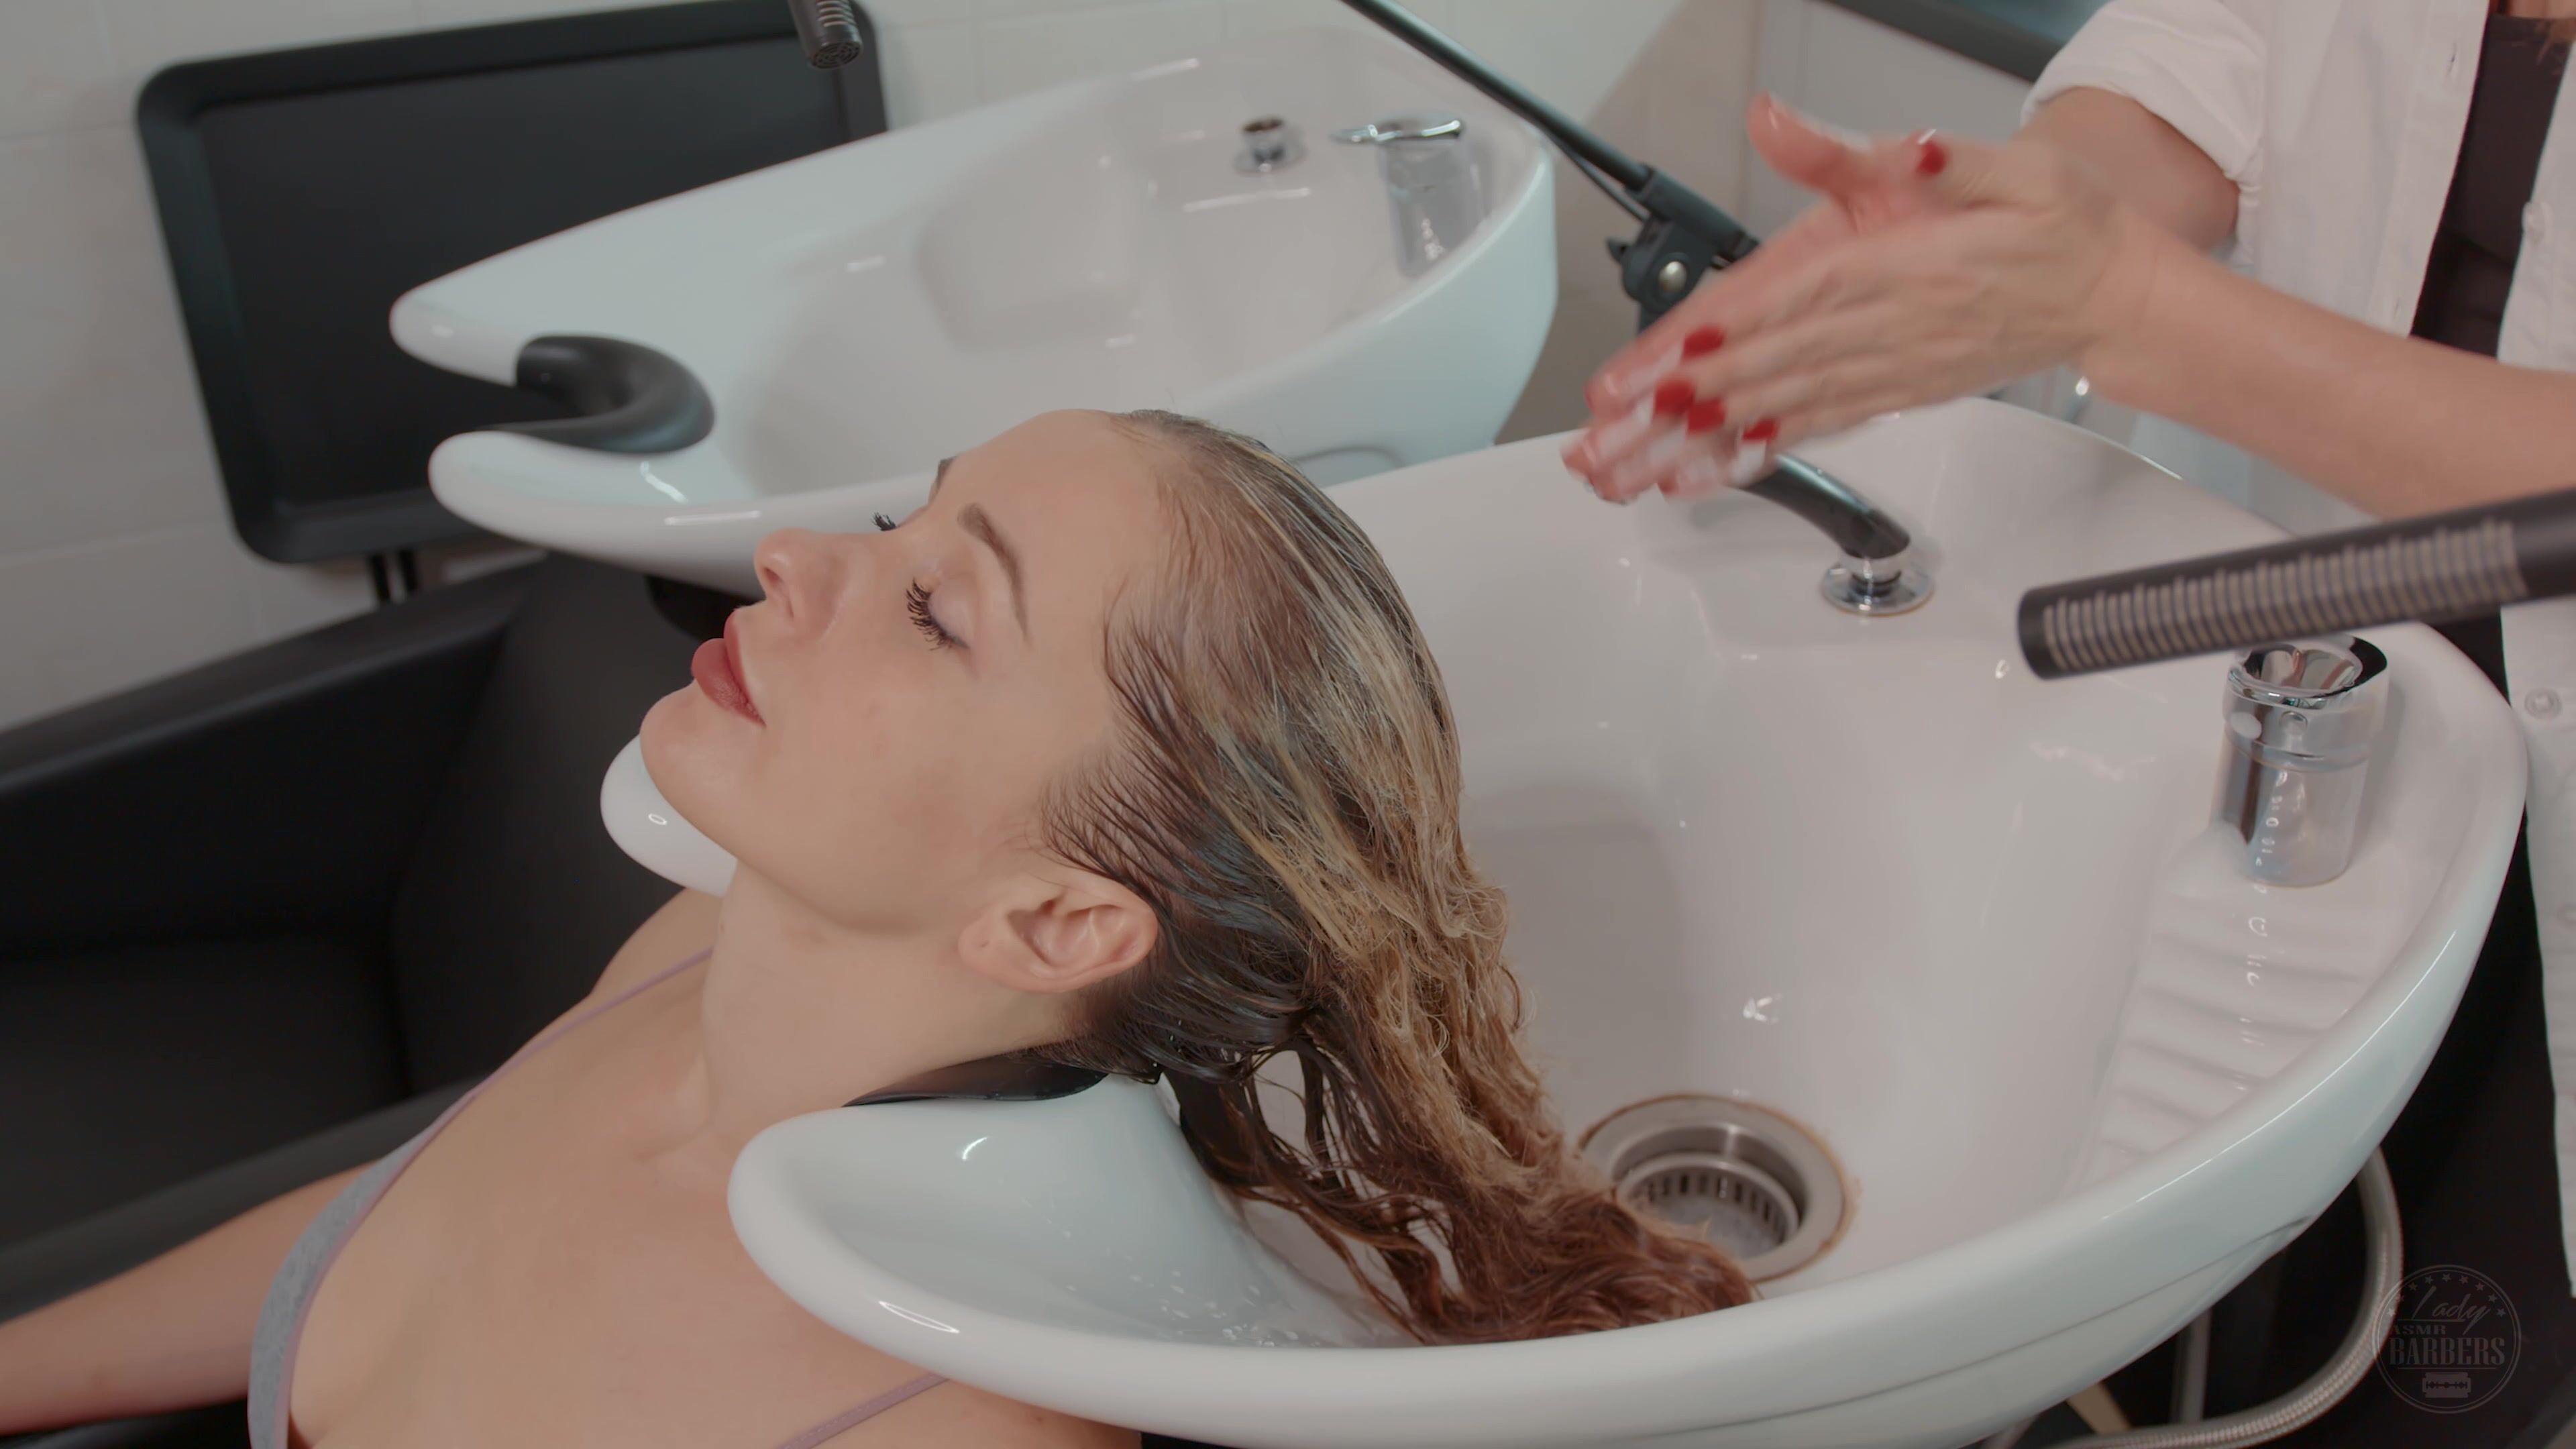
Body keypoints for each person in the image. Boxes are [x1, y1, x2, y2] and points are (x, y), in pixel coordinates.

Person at [0, 411, 1750, 1448]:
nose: (790, 554)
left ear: (1055, 921)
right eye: (897, 518)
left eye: (937, 609)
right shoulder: (688, 956)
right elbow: (397, 1234)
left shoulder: (937, 1426)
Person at [1566, 1, 2576, 1435]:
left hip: (2544, 853)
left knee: (2441, 1350)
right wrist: (2004, 237)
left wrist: (2128, 308)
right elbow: (2233, 42)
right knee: (2185, 1293)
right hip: (2287, 685)